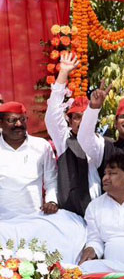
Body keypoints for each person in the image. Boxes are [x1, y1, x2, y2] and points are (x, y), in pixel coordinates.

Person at [0, 101, 87, 265]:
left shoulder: (41, 146)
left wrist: (51, 201)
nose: (18, 124)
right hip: (3, 222)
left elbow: (51, 179)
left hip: (35, 219)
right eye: (12, 120)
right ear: (1, 123)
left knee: (71, 226)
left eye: (22, 119)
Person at [46, 52, 102, 216]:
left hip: (100, 213)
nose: (81, 121)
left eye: (86, 117)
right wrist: (63, 74)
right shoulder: (64, 140)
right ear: (69, 120)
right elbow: (53, 114)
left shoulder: (101, 144)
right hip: (70, 215)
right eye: (77, 117)